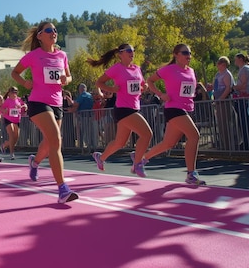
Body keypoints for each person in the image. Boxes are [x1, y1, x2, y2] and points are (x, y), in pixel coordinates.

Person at [11, 21, 78, 204]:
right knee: (56, 139)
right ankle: (63, 189)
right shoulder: (33, 56)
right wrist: (24, 83)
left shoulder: (62, 55)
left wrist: (67, 79)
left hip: (57, 103)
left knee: (50, 143)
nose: (53, 32)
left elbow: (68, 76)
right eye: (49, 30)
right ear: (40, 35)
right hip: (38, 103)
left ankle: (35, 162)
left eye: (55, 30)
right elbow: (15, 73)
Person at [142, 44, 206, 185]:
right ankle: (191, 174)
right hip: (173, 109)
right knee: (194, 136)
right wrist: (160, 94)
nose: (188, 56)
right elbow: (150, 81)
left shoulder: (191, 71)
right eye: (184, 53)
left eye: (189, 53)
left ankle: (142, 159)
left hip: (187, 109)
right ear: (176, 54)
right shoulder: (169, 70)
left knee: (168, 143)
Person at [87, 44, 152, 177]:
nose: (132, 53)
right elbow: (99, 82)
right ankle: (138, 162)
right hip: (123, 109)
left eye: (133, 50)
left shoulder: (137, 68)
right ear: (120, 54)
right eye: (128, 50)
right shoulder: (117, 68)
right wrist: (112, 90)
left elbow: (141, 85)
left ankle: (101, 157)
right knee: (147, 134)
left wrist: (144, 87)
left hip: (134, 107)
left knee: (120, 143)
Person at [213, 56, 237, 150]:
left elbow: (228, 88)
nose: (217, 65)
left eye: (218, 63)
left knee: (226, 123)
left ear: (223, 64)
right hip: (218, 101)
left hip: (224, 101)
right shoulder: (218, 74)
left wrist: (221, 99)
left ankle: (229, 146)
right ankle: (224, 144)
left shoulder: (227, 74)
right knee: (221, 124)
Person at [0, 86, 26, 160]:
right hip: (8, 119)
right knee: (11, 134)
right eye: (13, 92)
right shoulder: (7, 101)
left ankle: (5, 144)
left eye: (16, 92)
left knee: (15, 138)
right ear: (9, 93)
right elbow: (1, 108)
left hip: (16, 120)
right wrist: (4, 111)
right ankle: (12, 153)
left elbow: (23, 107)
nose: (14, 94)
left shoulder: (19, 100)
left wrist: (25, 107)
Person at [68, 83, 94, 149]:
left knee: (82, 131)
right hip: (90, 115)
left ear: (80, 89)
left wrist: (69, 100)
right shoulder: (90, 95)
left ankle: (81, 146)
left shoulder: (83, 95)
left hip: (83, 116)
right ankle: (89, 145)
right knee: (89, 131)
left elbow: (75, 103)